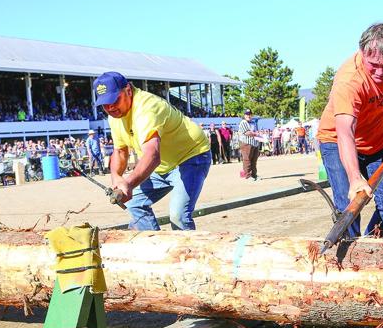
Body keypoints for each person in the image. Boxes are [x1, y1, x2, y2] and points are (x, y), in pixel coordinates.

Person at [316, 22, 383, 238]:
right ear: (362, 52)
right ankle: (349, 262)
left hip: (378, 142)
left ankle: (368, 253)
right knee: (349, 210)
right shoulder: (349, 80)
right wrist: (355, 177)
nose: (379, 72)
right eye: (373, 64)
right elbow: (345, 131)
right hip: (337, 141)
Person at [93, 71, 211, 231]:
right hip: (162, 165)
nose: (110, 107)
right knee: (134, 204)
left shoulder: (147, 108)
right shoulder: (114, 117)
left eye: (115, 100)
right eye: (105, 104)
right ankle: (156, 245)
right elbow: (120, 151)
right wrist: (116, 177)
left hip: (190, 157)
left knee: (179, 216)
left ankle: (189, 255)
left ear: (128, 90)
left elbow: (152, 155)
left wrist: (128, 183)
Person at [238, 109, 261, 180]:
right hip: (246, 143)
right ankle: (248, 175)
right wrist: (256, 134)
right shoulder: (243, 122)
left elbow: (256, 131)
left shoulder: (253, 122)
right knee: (247, 159)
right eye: (247, 114)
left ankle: (254, 175)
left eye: (250, 114)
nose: (249, 116)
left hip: (254, 143)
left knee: (254, 160)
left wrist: (258, 135)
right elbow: (247, 133)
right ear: (244, 115)